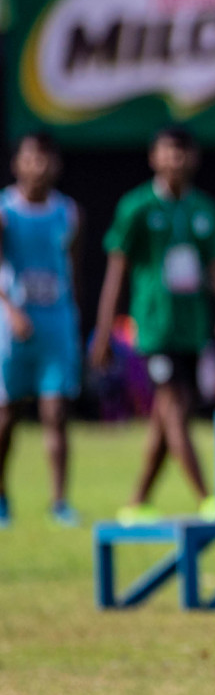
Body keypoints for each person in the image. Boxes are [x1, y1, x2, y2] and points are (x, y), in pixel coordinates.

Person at [91, 126, 215, 523]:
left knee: (166, 414)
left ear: (194, 157)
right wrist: (104, 330)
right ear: (153, 157)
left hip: (191, 325)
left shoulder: (206, 210)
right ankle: (208, 497)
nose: (175, 159)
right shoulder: (136, 207)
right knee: (174, 406)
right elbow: (116, 273)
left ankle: (138, 500)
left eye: (182, 151)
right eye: (167, 152)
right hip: (154, 325)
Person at [0, 132, 81, 526]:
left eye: (46, 159)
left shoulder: (68, 212)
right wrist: (11, 311)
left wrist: (73, 315)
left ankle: (60, 501)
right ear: (17, 163)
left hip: (55, 323)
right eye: (31, 158)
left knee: (56, 412)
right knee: (7, 417)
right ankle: (1, 497)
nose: (39, 166)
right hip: (12, 326)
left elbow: (72, 268)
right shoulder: (4, 211)